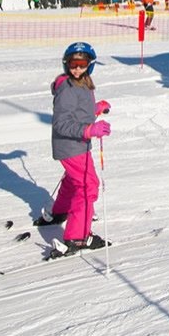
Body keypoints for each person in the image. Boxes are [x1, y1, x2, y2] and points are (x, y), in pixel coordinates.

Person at [43, 42, 112, 256]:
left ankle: (60, 211)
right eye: (73, 65)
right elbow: (61, 123)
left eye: (82, 65)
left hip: (74, 145)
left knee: (75, 181)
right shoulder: (68, 88)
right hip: (72, 145)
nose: (77, 69)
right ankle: (78, 236)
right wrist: (90, 130)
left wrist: (95, 109)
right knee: (88, 185)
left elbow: (77, 112)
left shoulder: (81, 84)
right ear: (67, 64)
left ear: (89, 66)